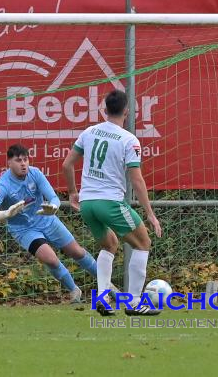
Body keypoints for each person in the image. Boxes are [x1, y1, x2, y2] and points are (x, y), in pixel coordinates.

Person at [62, 89, 162, 317]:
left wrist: (72, 192)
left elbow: (67, 165)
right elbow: (136, 178)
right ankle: (135, 303)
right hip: (110, 203)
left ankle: (103, 298)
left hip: (87, 204)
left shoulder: (89, 132)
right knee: (143, 243)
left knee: (109, 245)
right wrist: (150, 213)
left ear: (104, 110)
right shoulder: (129, 139)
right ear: (127, 111)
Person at [0, 144, 99, 303]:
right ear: (9, 162)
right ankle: (74, 291)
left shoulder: (35, 174)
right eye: (18, 160)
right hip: (24, 230)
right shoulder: (3, 185)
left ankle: (108, 285)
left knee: (77, 252)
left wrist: (54, 208)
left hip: (47, 220)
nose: (23, 164)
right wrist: (6, 213)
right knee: (51, 259)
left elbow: (54, 198)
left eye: (25, 159)